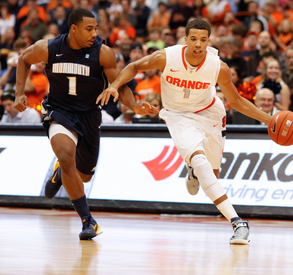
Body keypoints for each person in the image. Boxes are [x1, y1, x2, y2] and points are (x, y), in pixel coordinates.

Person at [97, 19, 272, 245]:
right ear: (185, 39)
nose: (198, 44)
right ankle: (238, 222)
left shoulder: (218, 66)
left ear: (209, 42)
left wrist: (270, 120)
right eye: (193, 39)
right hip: (178, 115)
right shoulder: (166, 57)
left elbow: (236, 101)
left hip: (211, 113)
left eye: (203, 40)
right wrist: (114, 85)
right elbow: (134, 67)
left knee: (212, 175)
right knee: (202, 164)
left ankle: (194, 170)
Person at [14, 8, 158, 240]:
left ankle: (61, 173)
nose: (94, 33)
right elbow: (23, 59)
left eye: (95, 29)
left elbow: (120, 86)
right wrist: (19, 91)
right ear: (74, 28)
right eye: (88, 29)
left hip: (89, 115)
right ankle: (87, 220)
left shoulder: (103, 53)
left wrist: (136, 106)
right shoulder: (49, 48)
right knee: (65, 153)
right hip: (59, 111)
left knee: (84, 175)